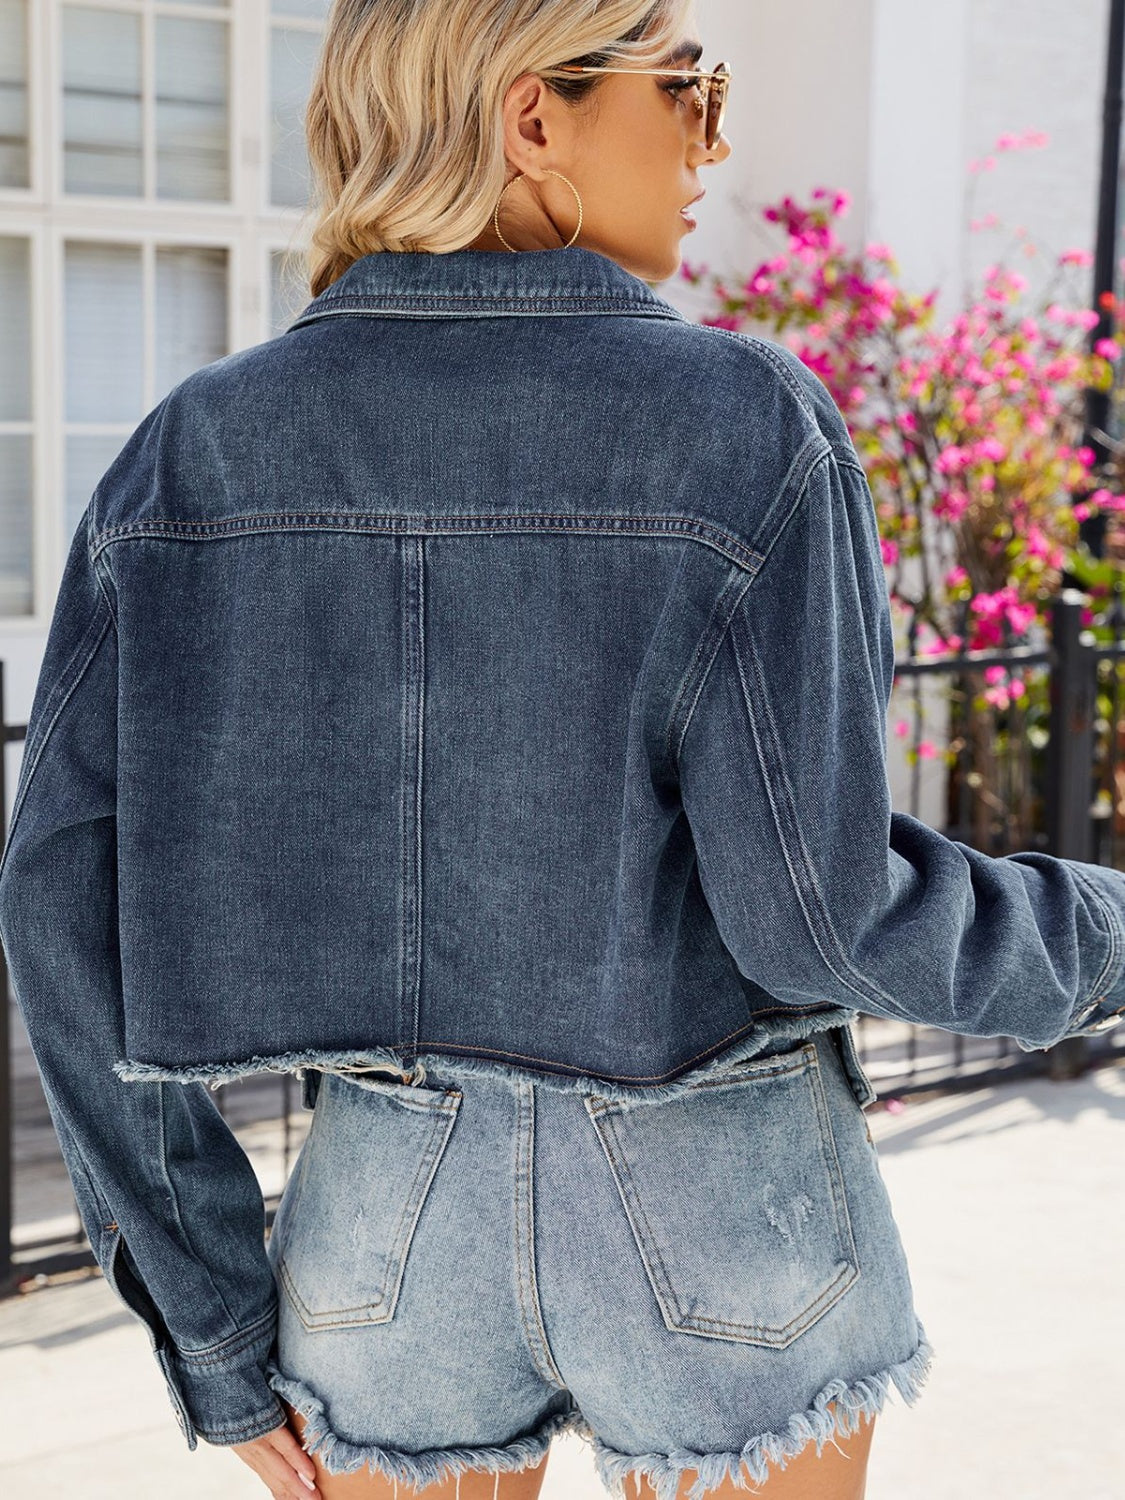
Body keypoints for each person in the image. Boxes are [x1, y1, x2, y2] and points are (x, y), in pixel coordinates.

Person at [2, 1, 1123, 1498]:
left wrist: (203, 1310)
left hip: (386, 1217)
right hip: (726, 1200)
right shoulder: (744, 426)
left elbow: (61, 905)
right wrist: (1103, 935)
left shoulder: (193, 451)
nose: (710, 142)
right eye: (690, 91)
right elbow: (824, 916)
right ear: (533, 117)